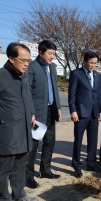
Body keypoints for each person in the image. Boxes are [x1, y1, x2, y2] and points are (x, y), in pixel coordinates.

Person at [0, 43, 38, 201]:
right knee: (5, 169)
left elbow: (27, 97)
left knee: (20, 166)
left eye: (28, 60)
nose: (26, 64)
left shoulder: (24, 75)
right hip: (7, 132)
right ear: (11, 59)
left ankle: (19, 194)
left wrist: (31, 113)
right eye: (22, 60)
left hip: (24, 130)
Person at [25, 40, 62, 189]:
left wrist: (58, 107)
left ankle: (45, 170)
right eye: (50, 53)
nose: (52, 56)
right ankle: (28, 176)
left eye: (54, 53)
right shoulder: (32, 68)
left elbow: (55, 89)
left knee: (50, 141)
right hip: (37, 113)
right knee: (33, 145)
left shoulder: (52, 67)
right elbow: (27, 91)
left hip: (50, 111)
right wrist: (31, 112)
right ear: (40, 53)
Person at [68, 51, 101, 178]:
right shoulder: (76, 74)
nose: (93, 65)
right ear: (84, 61)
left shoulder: (98, 75)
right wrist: (73, 110)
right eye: (91, 63)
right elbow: (71, 94)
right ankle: (76, 165)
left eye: (95, 63)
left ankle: (91, 162)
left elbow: (100, 95)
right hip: (81, 112)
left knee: (93, 139)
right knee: (78, 139)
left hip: (94, 112)